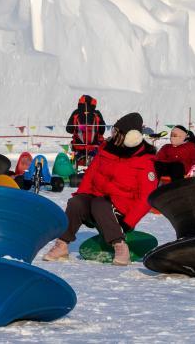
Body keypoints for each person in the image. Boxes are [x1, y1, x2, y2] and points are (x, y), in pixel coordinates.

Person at [43, 113, 158, 266]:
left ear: (131, 137)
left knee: (100, 204)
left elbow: (147, 197)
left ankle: (120, 245)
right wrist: (82, 197)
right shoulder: (106, 149)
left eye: (117, 132)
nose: (113, 135)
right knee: (76, 202)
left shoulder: (145, 161)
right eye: (114, 131)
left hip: (122, 212)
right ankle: (62, 244)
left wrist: (129, 223)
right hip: (98, 201)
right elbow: (90, 176)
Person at [66, 94, 106, 169]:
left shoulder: (76, 113)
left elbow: (69, 129)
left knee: (72, 154)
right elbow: (102, 131)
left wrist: (80, 128)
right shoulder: (97, 114)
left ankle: (71, 169)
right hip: (94, 147)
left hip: (78, 147)